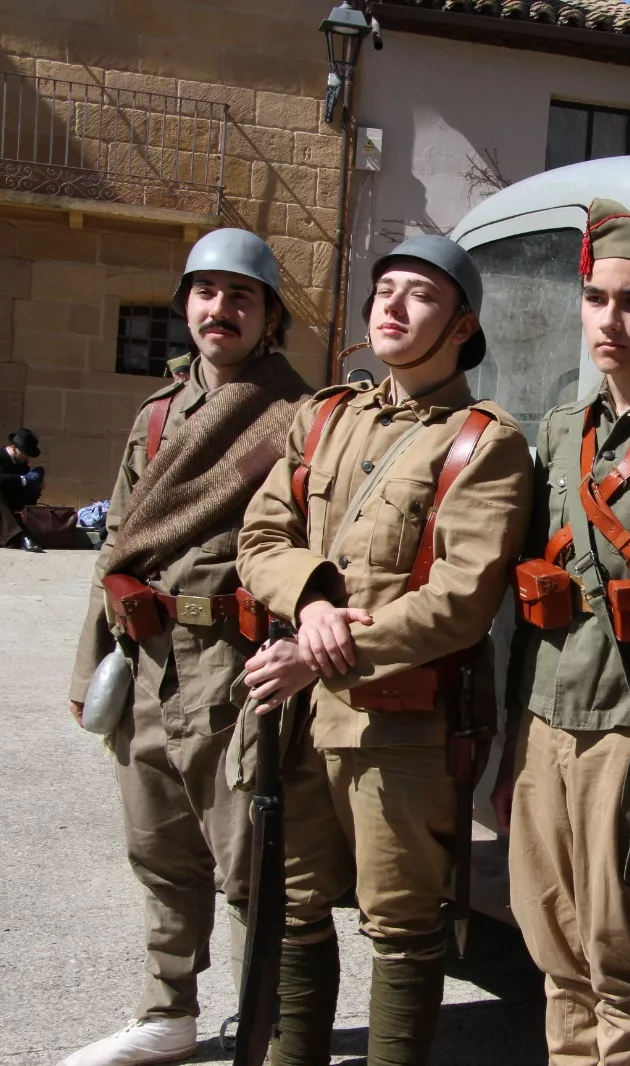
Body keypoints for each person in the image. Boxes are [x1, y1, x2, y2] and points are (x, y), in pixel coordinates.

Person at [236, 234, 533, 1066]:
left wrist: (319, 651)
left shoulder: (483, 443)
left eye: (421, 296)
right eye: (385, 291)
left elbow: (460, 603)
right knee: (293, 905)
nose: (393, 308)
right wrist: (312, 597)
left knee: (400, 920)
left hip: (399, 726)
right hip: (296, 714)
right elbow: (262, 534)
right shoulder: (323, 416)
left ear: (463, 323)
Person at [62, 228, 311, 1066]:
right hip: (147, 656)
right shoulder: (158, 414)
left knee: (250, 861)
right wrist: (88, 658)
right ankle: (167, 1010)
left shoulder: (299, 417)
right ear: (187, 307)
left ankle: (265, 1025)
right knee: (156, 845)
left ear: (269, 316)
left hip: (237, 665)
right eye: (206, 292)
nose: (220, 309)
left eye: (241, 296)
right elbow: (117, 544)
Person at [493, 200, 630, 1064]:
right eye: (596, 299)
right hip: (549, 719)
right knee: (554, 950)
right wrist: (513, 742)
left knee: (624, 962)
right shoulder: (559, 433)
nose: (611, 321)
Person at [0, 428, 44, 550]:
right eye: (24, 454)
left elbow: (25, 489)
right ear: (14, 447)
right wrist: (23, 480)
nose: (26, 458)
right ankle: (20, 537)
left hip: (11, 510)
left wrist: (37, 483)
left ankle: (20, 535)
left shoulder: (22, 465)